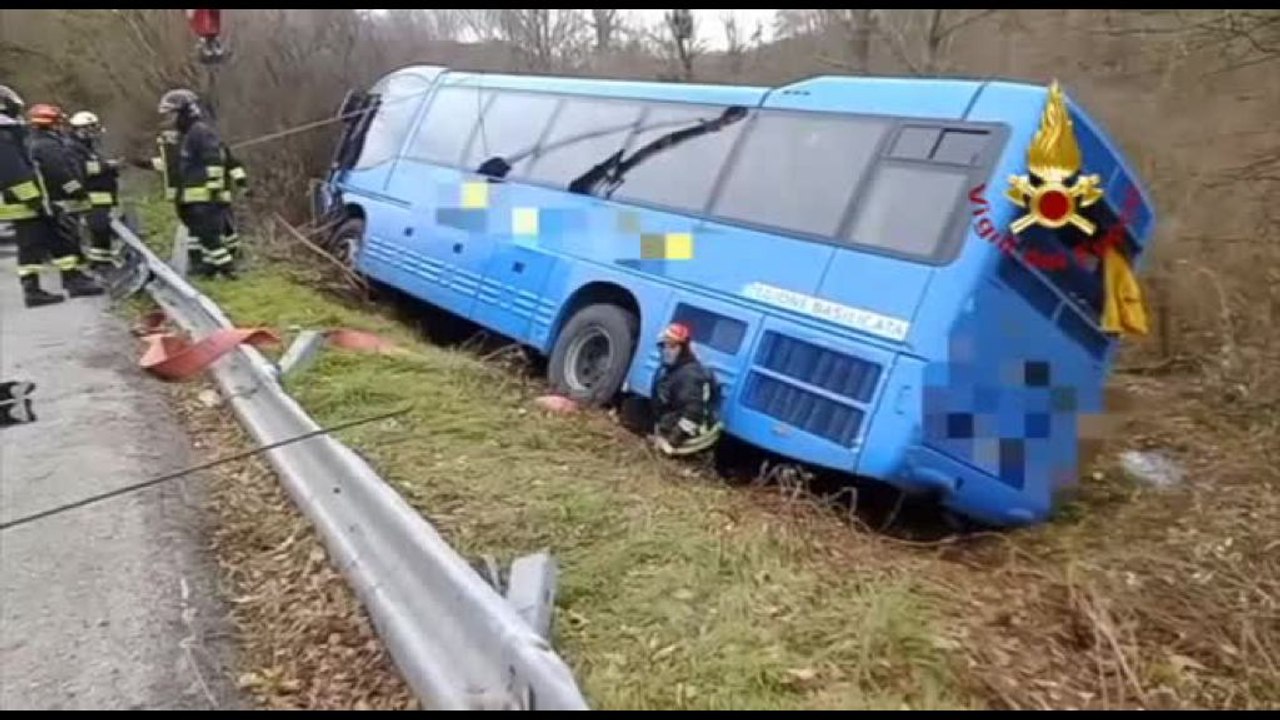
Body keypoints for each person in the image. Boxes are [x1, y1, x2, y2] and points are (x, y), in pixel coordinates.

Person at [0, 87, 101, 307]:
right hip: (25, 203)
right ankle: (35, 290)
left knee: (57, 240)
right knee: (33, 246)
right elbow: (15, 174)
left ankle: (72, 280)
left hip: (29, 201)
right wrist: (37, 202)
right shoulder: (5, 136)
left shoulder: (15, 135)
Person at [156, 87, 236, 278]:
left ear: (184, 112)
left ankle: (227, 269)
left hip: (204, 199)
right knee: (201, 235)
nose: (169, 119)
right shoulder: (188, 134)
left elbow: (214, 162)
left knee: (209, 236)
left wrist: (214, 190)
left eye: (172, 114)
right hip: (191, 198)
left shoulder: (200, 132)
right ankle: (208, 268)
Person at [651, 322, 723, 456]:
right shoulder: (675, 369)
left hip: (695, 437)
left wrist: (671, 443)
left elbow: (693, 415)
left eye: (672, 346)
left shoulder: (689, 376)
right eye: (664, 346)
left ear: (683, 349)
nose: (666, 350)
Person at [67, 110, 121, 270]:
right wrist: (108, 166)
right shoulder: (73, 147)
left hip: (102, 195)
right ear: (80, 129)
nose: (93, 133)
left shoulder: (89, 147)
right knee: (99, 228)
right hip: (92, 196)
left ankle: (102, 261)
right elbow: (84, 169)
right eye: (90, 129)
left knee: (101, 230)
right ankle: (100, 262)